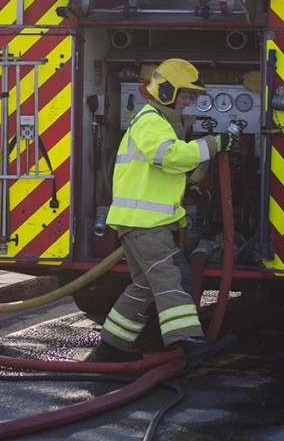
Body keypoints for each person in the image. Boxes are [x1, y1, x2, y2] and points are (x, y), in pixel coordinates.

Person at [89, 59, 236, 365]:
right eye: (184, 95)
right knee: (173, 276)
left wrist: (186, 187)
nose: (188, 102)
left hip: (139, 223)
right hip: (145, 225)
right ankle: (188, 343)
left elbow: (155, 174)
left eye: (190, 97)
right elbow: (167, 157)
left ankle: (110, 348)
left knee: (144, 285)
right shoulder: (152, 120)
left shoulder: (157, 122)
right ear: (167, 91)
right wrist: (213, 143)